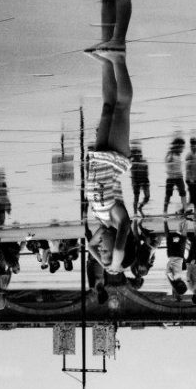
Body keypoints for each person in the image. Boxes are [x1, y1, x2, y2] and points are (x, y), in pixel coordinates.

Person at [85, 53, 133, 276]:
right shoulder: (117, 219)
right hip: (115, 158)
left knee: (107, 107)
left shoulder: (103, 223)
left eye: (101, 250)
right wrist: (115, 263)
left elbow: (89, 246)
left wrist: (103, 263)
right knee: (122, 107)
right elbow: (124, 232)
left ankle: (106, 64)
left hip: (99, 159)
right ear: (117, 247)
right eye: (107, 250)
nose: (101, 246)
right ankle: (118, 61)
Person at [163, 136, 188, 215]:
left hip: (179, 177)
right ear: (177, 147)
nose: (182, 149)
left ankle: (185, 209)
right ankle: (165, 211)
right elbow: (167, 163)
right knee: (168, 194)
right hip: (171, 178)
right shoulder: (170, 155)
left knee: (183, 192)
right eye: (181, 148)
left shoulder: (178, 155)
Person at [130, 140, 150, 216]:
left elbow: (146, 172)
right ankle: (135, 213)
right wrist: (134, 183)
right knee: (136, 198)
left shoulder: (144, 161)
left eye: (138, 153)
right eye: (135, 153)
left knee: (147, 197)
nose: (137, 154)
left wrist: (147, 182)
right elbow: (133, 175)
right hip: (136, 182)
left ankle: (140, 207)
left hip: (145, 181)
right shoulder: (132, 163)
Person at [185, 135, 196, 218]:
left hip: (195, 180)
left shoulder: (194, 155)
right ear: (192, 146)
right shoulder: (190, 155)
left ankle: (183, 211)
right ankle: (195, 215)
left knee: (193, 199)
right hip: (192, 180)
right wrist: (191, 179)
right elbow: (187, 168)